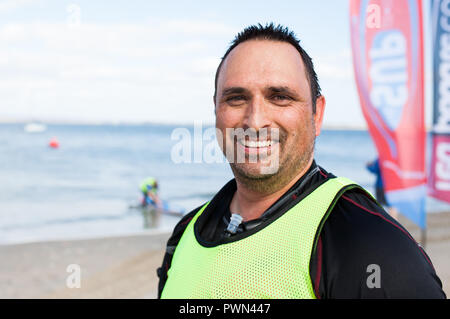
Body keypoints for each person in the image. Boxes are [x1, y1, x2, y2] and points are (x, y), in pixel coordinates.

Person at [157, 24, 445, 298]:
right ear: (216, 110)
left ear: (316, 115)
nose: (255, 121)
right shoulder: (185, 233)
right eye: (236, 98)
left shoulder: (365, 242)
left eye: (280, 97)